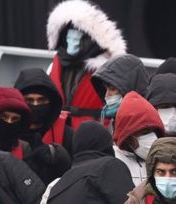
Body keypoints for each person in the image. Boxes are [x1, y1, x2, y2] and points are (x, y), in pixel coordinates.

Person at [0, 87, 70, 186]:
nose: (8, 123)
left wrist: (58, 158)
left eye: (15, 119)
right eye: (3, 117)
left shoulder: (23, 149)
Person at [46, 0, 126, 130]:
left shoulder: (106, 70)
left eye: (77, 39)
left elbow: (117, 106)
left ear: (88, 41)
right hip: (59, 131)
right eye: (69, 38)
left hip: (94, 132)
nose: (73, 43)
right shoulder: (55, 66)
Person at [14, 67, 74, 156]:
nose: (35, 105)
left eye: (41, 100)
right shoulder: (8, 129)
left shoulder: (67, 135)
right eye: (29, 100)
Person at [112, 91, 165, 186]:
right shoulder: (113, 161)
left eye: (154, 131)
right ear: (128, 136)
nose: (152, 137)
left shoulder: (164, 160)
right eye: (145, 132)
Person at [91, 54, 150, 132]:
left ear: (130, 87)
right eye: (105, 89)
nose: (106, 95)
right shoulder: (115, 120)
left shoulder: (146, 124)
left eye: (112, 89)